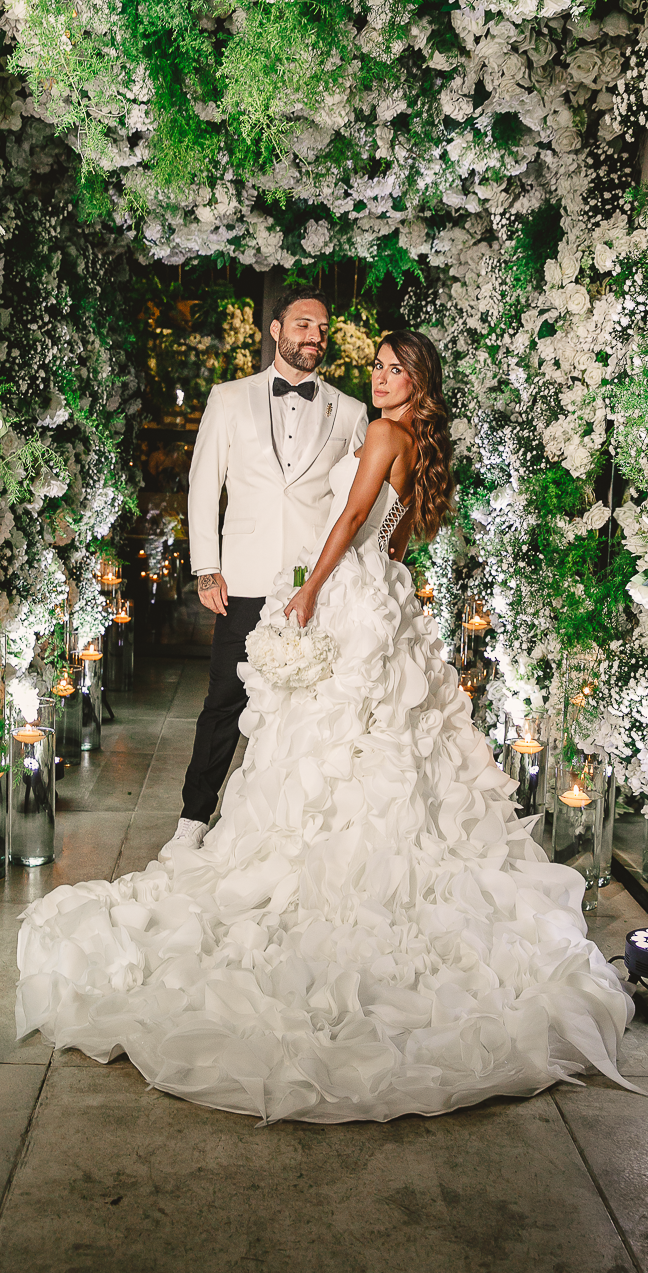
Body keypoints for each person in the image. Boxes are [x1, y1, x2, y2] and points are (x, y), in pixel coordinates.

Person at [16, 329, 635, 1124]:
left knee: (332, 739)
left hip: (346, 592)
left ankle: (318, 864)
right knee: (385, 736)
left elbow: (347, 518)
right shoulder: (416, 440)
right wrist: (365, 577)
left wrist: (311, 593)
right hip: (384, 593)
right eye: (376, 366)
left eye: (394, 369)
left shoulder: (380, 431)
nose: (378, 378)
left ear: (418, 380)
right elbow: (399, 534)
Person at [159, 284, 368, 858]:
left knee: (306, 709)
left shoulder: (349, 412)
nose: (314, 337)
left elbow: (356, 506)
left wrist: (340, 580)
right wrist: (207, 568)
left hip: (310, 586)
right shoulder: (228, 399)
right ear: (275, 331)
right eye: (303, 325)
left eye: (322, 329)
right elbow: (205, 485)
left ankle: (293, 831)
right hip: (245, 580)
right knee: (224, 702)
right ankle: (193, 819)